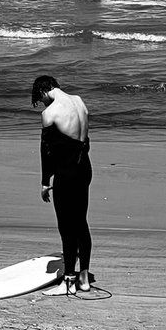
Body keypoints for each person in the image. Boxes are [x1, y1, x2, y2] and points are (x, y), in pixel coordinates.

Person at [31, 74, 94, 295]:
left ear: (43, 91)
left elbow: (46, 151)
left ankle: (67, 282)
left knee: (66, 227)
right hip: (85, 169)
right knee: (81, 223)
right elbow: (85, 140)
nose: (42, 104)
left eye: (40, 99)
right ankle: (84, 278)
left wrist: (44, 182)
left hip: (66, 174)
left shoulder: (49, 113)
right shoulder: (79, 101)